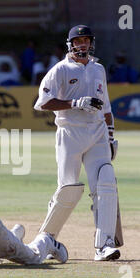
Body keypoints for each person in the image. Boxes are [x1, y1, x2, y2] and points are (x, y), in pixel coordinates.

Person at [34, 25, 121, 261]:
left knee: (105, 183)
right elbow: (42, 103)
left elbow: (106, 107)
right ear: (70, 44)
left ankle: (104, 245)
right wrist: (75, 103)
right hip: (69, 134)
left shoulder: (98, 68)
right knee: (68, 188)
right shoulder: (60, 69)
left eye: (86, 40)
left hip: (97, 134)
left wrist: (110, 136)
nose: (83, 45)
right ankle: (48, 239)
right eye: (78, 41)